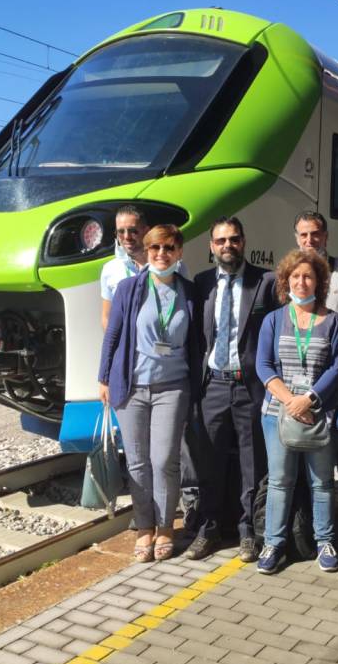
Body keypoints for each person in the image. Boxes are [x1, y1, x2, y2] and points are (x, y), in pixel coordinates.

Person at [98, 224, 201, 562]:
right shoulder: (129, 288)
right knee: (139, 463)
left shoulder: (189, 291)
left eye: (169, 248)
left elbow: (197, 341)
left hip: (173, 387)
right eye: (155, 248)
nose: (162, 254)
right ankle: (145, 528)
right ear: (146, 251)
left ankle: (167, 527)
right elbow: (112, 335)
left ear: (179, 252)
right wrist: (103, 380)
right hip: (132, 387)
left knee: (164, 461)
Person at [184, 217, 277, 563]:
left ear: (243, 241)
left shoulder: (265, 282)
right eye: (221, 241)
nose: (228, 246)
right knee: (208, 461)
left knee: (253, 464)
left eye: (234, 239)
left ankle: (247, 531)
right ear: (211, 246)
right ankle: (208, 529)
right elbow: (197, 338)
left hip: (249, 387)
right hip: (213, 387)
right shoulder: (202, 283)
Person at [255, 249, 338, 575]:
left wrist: (308, 399)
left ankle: (325, 542)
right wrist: (291, 401)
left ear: (319, 281)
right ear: (286, 281)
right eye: (296, 276)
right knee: (281, 480)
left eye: (308, 276)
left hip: (319, 413)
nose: (302, 281)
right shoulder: (273, 319)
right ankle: (273, 544)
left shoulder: (333, 321)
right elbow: (263, 366)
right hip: (276, 414)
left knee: (322, 482)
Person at [293, 210, 338, 525]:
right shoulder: (292, 271)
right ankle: (306, 513)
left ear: (325, 236)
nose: (309, 240)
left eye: (315, 234)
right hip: (300, 376)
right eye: (303, 235)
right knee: (304, 446)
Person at [101, 206, 148, 330]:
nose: (127, 237)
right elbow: (107, 317)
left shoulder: (169, 266)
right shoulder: (109, 269)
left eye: (133, 230)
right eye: (121, 231)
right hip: (126, 347)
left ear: (146, 231)